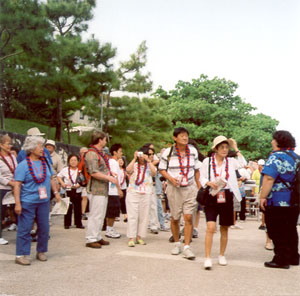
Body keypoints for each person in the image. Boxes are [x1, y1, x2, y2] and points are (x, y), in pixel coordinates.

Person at [200, 135, 246, 269]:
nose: (225, 150)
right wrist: (208, 182)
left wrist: (236, 149)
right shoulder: (207, 161)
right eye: (222, 147)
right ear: (216, 149)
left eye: (227, 147)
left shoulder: (231, 161)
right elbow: (201, 177)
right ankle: (207, 257)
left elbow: (243, 163)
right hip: (212, 194)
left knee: (224, 228)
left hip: (226, 195)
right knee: (210, 227)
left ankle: (221, 254)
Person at [13, 136, 61, 265]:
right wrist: (17, 203)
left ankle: (41, 251)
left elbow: (51, 178)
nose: (43, 149)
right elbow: (17, 185)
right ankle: (20, 254)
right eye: (40, 146)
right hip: (28, 201)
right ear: (32, 148)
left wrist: (56, 193)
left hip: (44, 201)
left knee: (44, 227)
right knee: (25, 228)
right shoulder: (23, 165)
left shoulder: (45, 163)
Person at [159, 127, 201, 260]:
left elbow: (197, 170)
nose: (185, 138)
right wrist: (171, 179)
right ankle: (177, 243)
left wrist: (199, 187)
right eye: (182, 135)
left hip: (190, 188)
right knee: (175, 217)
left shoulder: (193, 151)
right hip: (174, 188)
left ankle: (187, 247)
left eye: (186, 135)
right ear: (175, 138)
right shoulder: (168, 152)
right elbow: (161, 169)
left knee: (188, 217)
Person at [260, 130, 300, 269]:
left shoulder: (276, 157)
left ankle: (281, 259)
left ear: (279, 141)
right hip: (294, 200)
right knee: (290, 228)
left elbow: (269, 178)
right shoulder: (296, 157)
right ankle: (294, 257)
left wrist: (262, 197)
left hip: (277, 200)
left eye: (273, 139)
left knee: (276, 229)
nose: (271, 141)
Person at [85, 130, 117, 249]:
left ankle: (97, 236)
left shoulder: (99, 153)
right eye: (104, 139)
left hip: (102, 188)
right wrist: (109, 177)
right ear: (100, 140)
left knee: (101, 214)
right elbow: (93, 172)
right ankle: (91, 238)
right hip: (96, 188)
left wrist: (109, 173)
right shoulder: (92, 154)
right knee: (95, 214)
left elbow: (100, 169)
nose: (105, 141)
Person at [126, 146, 157, 247]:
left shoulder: (149, 165)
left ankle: (139, 236)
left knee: (143, 216)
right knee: (132, 215)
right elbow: (128, 170)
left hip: (146, 193)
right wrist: (134, 158)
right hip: (133, 192)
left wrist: (148, 160)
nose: (142, 157)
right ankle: (131, 237)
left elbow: (154, 172)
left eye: (145, 155)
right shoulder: (135, 165)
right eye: (141, 155)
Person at [57, 154, 84, 229]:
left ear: (78, 161)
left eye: (75, 160)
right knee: (68, 207)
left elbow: (84, 179)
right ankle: (67, 224)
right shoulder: (65, 170)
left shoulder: (80, 170)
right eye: (71, 160)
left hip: (78, 190)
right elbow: (58, 176)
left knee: (78, 208)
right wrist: (62, 183)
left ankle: (78, 223)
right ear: (68, 161)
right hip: (68, 190)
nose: (73, 162)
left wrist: (79, 185)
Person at [0, 134, 18, 245]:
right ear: (1, 145)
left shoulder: (12, 157)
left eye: (10, 143)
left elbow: (17, 169)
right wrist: (9, 182)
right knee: (1, 211)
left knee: (17, 208)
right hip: (3, 187)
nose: (10, 146)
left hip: (14, 186)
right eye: (7, 144)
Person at [105, 143, 123, 239]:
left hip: (113, 190)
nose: (121, 153)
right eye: (120, 151)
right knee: (112, 211)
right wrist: (119, 189)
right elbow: (114, 176)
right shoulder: (113, 162)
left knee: (113, 211)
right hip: (112, 191)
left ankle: (110, 228)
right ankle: (109, 229)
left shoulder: (113, 162)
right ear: (114, 152)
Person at [79, 147, 89, 220]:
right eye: (83, 152)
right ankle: (82, 212)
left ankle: (84, 212)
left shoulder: (89, 161)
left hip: (89, 181)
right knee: (84, 197)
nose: (85, 154)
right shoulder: (79, 161)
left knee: (86, 197)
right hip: (81, 182)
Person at [118, 157, 128, 222]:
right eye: (119, 160)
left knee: (123, 202)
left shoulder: (125, 170)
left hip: (123, 187)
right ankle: (116, 215)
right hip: (116, 188)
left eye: (122, 161)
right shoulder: (115, 169)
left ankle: (125, 216)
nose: (121, 162)